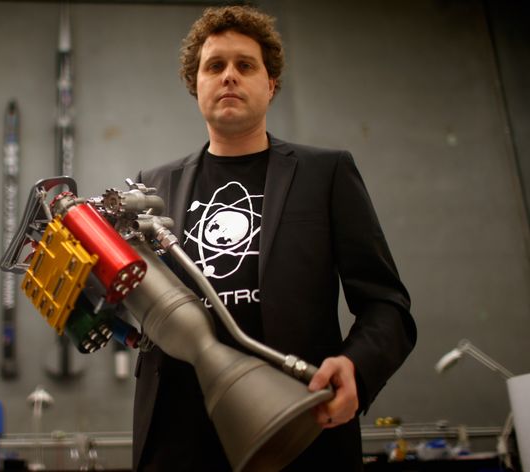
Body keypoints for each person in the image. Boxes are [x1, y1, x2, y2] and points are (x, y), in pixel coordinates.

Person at [132, 5, 417, 471]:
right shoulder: (151, 186)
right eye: (214, 66)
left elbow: (387, 303)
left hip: (301, 428)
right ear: (195, 84)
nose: (229, 77)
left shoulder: (326, 173)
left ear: (271, 84)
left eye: (245, 65)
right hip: (179, 437)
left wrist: (357, 369)